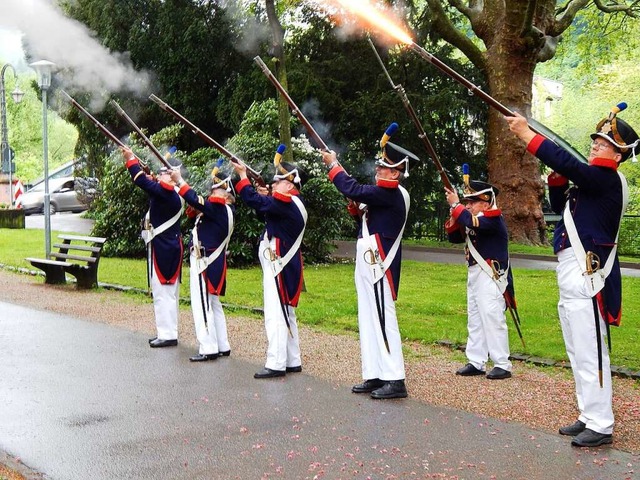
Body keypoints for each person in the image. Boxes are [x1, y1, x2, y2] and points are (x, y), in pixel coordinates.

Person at [504, 104, 640, 447]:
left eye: (604, 143)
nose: (595, 145)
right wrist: (558, 182)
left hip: (589, 274)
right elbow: (561, 203)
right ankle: (588, 413)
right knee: (578, 349)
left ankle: (602, 422)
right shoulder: (593, 182)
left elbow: (566, 162)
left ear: (620, 154)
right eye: (595, 141)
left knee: (591, 350)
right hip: (572, 271)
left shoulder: (608, 179)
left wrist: (525, 134)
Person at [321, 123, 418, 400]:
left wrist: (333, 165)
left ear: (397, 171)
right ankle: (375, 373)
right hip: (368, 261)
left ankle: (395, 378)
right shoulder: (385, 195)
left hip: (379, 265)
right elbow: (364, 209)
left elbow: (352, 187)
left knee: (384, 319)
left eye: (384, 167)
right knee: (368, 318)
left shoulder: (391, 193)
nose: (377, 170)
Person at [232, 146, 307, 379]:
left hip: (279, 265)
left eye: (278, 182)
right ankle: (292, 360)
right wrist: (264, 196)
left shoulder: (287, 203)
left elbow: (256, 203)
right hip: (284, 265)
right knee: (286, 314)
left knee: (276, 313)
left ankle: (276, 362)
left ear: (290, 185)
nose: (274, 185)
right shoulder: (290, 204)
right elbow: (265, 211)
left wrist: (243, 177)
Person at [444, 171, 513, 380]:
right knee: (475, 318)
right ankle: (476, 360)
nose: (469, 206)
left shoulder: (492, 219)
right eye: (467, 202)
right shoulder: (474, 218)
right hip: (475, 273)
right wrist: (453, 210)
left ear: (485, 202)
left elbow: (471, 222)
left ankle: (502, 363)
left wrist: (457, 206)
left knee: (492, 318)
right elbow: (454, 237)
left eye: (472, 202)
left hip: (490, 274)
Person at [171, 161, 234, 362]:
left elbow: (195, 199)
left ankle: (208, 347)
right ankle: (222, 344)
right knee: (213, 304)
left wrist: (179, 180)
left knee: (201, 304)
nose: (212, 191)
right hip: (211, 261)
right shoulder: (223, 210)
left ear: (226, 191)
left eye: (216, 188)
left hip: (205, 261)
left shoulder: (218, 208)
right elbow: (196, 204)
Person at [121, 147, 184, 348]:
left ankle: (167, 334)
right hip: (167, 244)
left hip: (164, 247)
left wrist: (131, 159)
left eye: (164, 173)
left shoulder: (167, 193)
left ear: (172, 176)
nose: (159, 175)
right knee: (168, 293)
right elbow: (151, 184)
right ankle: (168, 331)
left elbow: (140, 180)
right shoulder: (173, 192)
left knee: (162, 292)